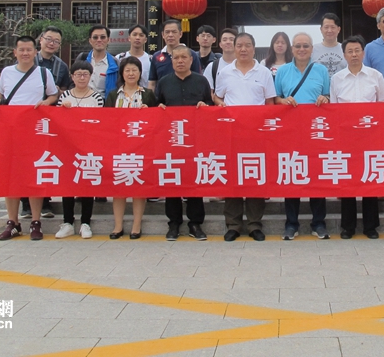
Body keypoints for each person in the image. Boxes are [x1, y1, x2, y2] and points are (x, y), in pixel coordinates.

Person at [0, 36, 59, 241]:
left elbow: (53, 95)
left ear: (35, 52)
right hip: (10, 131)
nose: (25, 53)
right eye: (22, 50)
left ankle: (36, 221)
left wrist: (46, 103)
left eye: (29, 50)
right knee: (10, 176)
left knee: (34, 175)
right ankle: (13, 222)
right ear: (15, 52)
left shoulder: (44, 73)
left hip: (35, 132)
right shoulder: (7, 72)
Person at [214, 33, 276, 241]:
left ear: (254, 48)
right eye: (239, 45)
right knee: (232, 177)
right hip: (231, 133)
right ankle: (233, 225)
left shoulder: (264, 72)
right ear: (234, 47)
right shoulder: (225, 72)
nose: (243, 49)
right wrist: (221, 105)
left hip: (256, 134)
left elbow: (269, 103)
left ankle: (254, 224)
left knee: (254, 177)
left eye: (247, 45)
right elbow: (217, 97)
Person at [330, 35, 384, 239]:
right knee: (348, 180)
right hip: (346, 137)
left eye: (357, 50)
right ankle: (347, 227)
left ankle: (370, 226)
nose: (354, 54)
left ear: (363, 53)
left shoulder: (375, 76)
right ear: (344, 55)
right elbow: (334, 110)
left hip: (371, 136)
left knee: (369, 178)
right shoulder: (337, 79)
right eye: (350, 51)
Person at [275, 32, 331, 241]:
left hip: (316, 131)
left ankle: (319, 223)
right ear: (292, 49)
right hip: (290, 131)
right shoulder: (282, 71)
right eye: (297, 46)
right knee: (292, 174)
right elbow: (275, 98)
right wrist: (283, 101)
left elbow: (328, 95)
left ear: (311, 49)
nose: (301, 49)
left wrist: (324, 98)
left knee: (316, 175)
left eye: (305, 46)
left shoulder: (321, 70)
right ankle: (291, 223)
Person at [154, 45, 213, 241]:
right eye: (176, 58)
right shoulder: (164, 82)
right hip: (171, 140)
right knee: (172, 180)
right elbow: (157, 105)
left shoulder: (201, 81)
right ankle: (174, 223)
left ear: (191, 60)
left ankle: (195, 223)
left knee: (194, 180)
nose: (180, 61)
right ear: (171, 61)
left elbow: (210, 104)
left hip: (195, 140)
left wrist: (205, 106)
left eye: (183, 57)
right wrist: (159, 108)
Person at [20, 25, 68, 219]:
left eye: (56, 41)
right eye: (48, 39)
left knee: (45, 159)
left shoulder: (61, 66)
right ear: (40, 40)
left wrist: (55, 91)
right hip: (26, 119)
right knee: (25, 161)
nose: (51, 43)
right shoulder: (28, 60)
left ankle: (45, 202)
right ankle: (25, 204)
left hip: (48, 121)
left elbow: (64, 91)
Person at [106, 56, 156, 239]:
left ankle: (136, 225)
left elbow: (157, 120)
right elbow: (106, 121)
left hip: (141, 148)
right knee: (118, 187)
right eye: (127, 70)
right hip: (118, 147)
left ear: (140, 73)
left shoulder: (147, 94)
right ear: (122, 73)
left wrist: (149, 112)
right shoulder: (113, 95)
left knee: (138, 187)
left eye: (135, 70)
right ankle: (118, 226)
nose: (131, 73)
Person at [54, 60, 104, 239]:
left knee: (87, 184)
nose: (82, 78)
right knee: (68, 185)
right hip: (68, 147)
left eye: (85, 74)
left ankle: (85, 222)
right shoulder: (65, 97)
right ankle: (67, 222)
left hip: (89, 147)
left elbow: (100, 123)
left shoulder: (97, 98)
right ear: (72, 77)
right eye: (78, 74)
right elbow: (59, 122)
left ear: (91, 76)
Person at [148, 19, 202, 92]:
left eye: (174, 32)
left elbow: (198, 79)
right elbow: (152, 83)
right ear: (163, 35)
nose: (170, 35)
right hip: (163, 97)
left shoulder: (191, 54)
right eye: (167, 32)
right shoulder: (156, 56)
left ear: (180, 34)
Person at [76, 25, 119, 101]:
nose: (99, 40)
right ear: (90, 41)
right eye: (95, 37)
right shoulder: (82, 58)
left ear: (108, 40)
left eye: (103, 37)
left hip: (104, 104)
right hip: (81, 102)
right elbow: (72, 81)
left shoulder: (115, 62)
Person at [204, 27, 237, 93]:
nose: (228, 42)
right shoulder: (212, 67)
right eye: (224, 40)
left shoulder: (245, 66)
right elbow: (209, 92)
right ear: (220, 44)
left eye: (231, 39)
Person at [311, 13, 345, 77]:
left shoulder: (345, 49)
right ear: (321, 29)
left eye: (333, 27)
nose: (329, 30)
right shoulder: (312, 50)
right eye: (326, 27)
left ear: (338, 29)